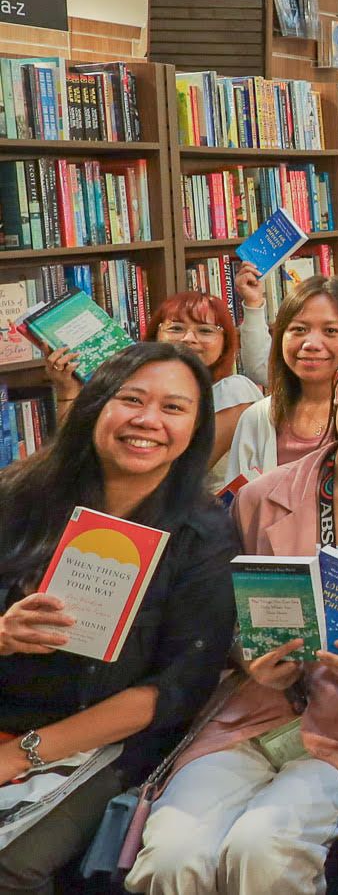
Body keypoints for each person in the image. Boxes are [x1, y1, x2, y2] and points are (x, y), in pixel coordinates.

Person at [129, 331, 338, 895]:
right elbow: (219, 615)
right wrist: (244, 656)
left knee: (263, 849)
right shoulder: (262, 496)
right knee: (172, 857)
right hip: (253, 714)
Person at [0, 345, 235, 894]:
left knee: (14, 861)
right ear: (96, 406)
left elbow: (176, 687)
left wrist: (21, 752)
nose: (148, 420)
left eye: (174, 408)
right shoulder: (18, 497)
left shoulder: (204, 535)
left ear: (196, 428)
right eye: (132, 399)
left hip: (107, 740)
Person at [58, 291, 260, 468]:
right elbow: (73, 457)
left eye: (205, 331)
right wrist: (68, 391)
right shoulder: (135, 390)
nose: (188, 338)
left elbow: (181, 471)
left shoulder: (234, 391)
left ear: (225, 344)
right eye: (176, 329)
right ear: (156, 336)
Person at [224, 277, 338, 483]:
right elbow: (236, 504)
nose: (311, 344)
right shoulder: (256, 418)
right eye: (299, 329)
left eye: (330, 331)